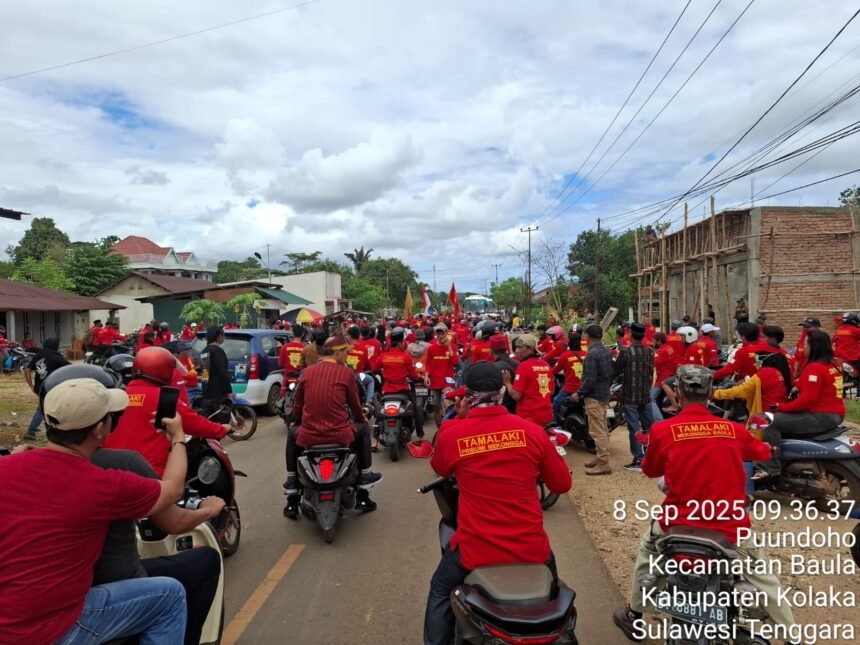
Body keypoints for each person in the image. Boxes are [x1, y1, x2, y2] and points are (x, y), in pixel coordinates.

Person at [0, 371, 190, 644]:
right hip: (56, 627)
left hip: (9, 621)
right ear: (100, 429)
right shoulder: (104, 484)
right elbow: (173, 490)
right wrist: (178, 437)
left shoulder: (8, 466)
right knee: (170, 595)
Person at [613, 365, 794, 641]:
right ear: (710, 393)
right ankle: (793, 637)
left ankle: (635, 615)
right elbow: (759, 450)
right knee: (765, 579)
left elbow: (650, 470)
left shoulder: (664, 430)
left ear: (678, 392)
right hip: (731, 531)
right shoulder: (732, 429)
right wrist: (767, 448)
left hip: (677, 528)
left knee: (646, 558)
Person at [423, 362, 572, 645]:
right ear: (502, 392)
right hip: (531, 548)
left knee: (440, 588)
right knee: (554, 598)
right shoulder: (531, 432)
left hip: (476, 550)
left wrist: (457, 420)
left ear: (468, 397)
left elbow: (441, 469)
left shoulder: (454, 434)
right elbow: (562, 484)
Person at [283, 335, 382, 518]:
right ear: (337, 353)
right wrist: (363, 417)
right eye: (345, 353)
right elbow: (355, 405)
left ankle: (291, 483)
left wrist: (296, 423)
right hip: (340, 435)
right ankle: (365, 477)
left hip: (309, 435)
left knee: (291, 435)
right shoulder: (346, 373)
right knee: (364, 429)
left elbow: (297, 404)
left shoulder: (308, 372)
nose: (347, 357)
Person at [105, 347, 229, 476]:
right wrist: (222, 429)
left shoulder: (117, 396)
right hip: (152, 477)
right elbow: (195, 424)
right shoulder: (164, 398)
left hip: (113, 475)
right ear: (165, 370)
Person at [755, 330, 845, 479]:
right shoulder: (833, 365)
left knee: (764, 421)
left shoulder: (814, 368)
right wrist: (798, 386)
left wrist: (781, 407)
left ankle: (769, 468)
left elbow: (807, 399)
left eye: (805, 343)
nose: (803, 347)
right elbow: (816, 385)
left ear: (813, 346)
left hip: (820, 416)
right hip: (834, 414)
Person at [573, 324, 614, 475]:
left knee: (597, 431)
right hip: (604, 393)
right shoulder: (606, 351)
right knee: (602, 427)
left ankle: (604, 463)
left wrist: (579, 393)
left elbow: (589, 379)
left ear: (587, 338)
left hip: (594, 396)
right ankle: (599, 457)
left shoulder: (591, 355)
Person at [613, 323, 654, 471]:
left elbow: (616, 370)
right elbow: (650, 372)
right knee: (649, 427)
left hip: (630, 396)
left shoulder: (626, 352)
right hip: (645, 395)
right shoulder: (650, 351)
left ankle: (638, 459)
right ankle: (651, 457)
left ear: (630, 334)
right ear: (643, 335)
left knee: (634, 428)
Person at [371, 326, 424, 436]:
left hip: (387, 390)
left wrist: (384, 372)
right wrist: (418, 379)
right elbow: (413, 375)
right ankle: (420, 433)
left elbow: (375, 369)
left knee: (380, 412)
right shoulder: (405, 357)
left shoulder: (383, 356)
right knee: (414, 409)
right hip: (402, 390)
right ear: (400, 343)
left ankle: (375, 438)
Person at [712, 351, 792, 422]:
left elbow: (742, 390)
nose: (754, 364)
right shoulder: (774, 371)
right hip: (776, 410)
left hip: (768, 413)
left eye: (756, 361)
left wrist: (715, 394)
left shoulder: (766, 372)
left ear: (762, 361)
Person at [22, 337, 69, 440]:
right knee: (44, 409)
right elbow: (70, 369)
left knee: (45, 407)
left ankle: (42, 428)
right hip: (52, 387)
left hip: (39, 387)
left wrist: (31, 385)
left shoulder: (38, 356)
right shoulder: (57, 357)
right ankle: (31, 432)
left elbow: (27, 370)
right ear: (55, 346)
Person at [502, 334, 553, 427]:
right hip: (546, 415)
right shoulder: (546, 365)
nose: (517, 351)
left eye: (520, 348)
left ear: (531, 349)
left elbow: (516, 396)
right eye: (516, 347)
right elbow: (551, 391)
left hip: (528, 417)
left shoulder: (524, 366)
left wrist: (508, 383)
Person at [425, 324, 459, 426]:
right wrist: (426, 376)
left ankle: (449, 427)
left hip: (448, 382)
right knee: (436, 408)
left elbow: (455, 362)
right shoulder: (431, 348)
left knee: (449, 407)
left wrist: (448, 346)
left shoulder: (452, 347)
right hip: (435, 382)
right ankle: (439, 430)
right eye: (438, 333)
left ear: (446, 333)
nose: (440, 335)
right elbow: (428, 364)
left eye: (442, 333)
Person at [551, 333, 584, 419]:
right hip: (583, 389)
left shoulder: (565, 355)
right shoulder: (586, 354)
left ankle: (553, 426)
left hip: (569, 389)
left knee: (554, 405)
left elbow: (555, 370)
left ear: (569, 342)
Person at [200, 325, 233, 409]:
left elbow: (205, 374)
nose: (224, 337)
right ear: (219, 336)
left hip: (207, 392)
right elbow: (223, 374)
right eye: (223, 335)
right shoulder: (218, 351)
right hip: (219, 393)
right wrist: (229, 391)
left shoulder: (204, 351)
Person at [652, 332, 680, 417]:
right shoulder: (669, 348)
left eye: (653, 341)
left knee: (650, 399)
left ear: (659, 341)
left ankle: (659, 420)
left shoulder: (661, 351)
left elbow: (653, 363)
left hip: (662, 379)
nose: (652, 342)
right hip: (670, 376)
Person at [346, 325, 374, 407]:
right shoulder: (363, 349)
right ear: (358, 336)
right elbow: (368, 365)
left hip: (346, 375)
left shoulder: (345, 348)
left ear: (349, 336)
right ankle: (368, 401)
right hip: (359, 375)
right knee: (371, 380)